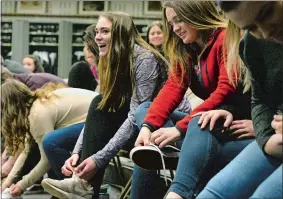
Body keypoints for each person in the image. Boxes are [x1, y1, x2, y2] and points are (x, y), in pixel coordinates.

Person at [40, 11, 170, 199]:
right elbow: (98, 111)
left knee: (100, 106)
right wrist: (77, 152)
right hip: (131, 122)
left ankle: (83, 185)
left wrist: (98, 159)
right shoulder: (110, 61)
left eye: (105, 31)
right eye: (97, 31)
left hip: (157, 124)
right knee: (96, 105)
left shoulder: (144, 59)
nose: (97, 37)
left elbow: (137, 115)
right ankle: (81, 182)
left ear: (121, 35)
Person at [130, 1, 253, 199]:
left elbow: (224, 90)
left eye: (179, 21)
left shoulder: (224, 38)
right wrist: (148, 127)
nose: (175, 28)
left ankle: (177, 191)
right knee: (145, 109)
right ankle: (162, 150)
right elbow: (173, 87)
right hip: (206, 121)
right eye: (171, 23)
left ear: (196, 14)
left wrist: (179, 129)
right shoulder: (187, 48)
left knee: (198, 121)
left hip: (230, 121)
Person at [197, 1, 283, 198]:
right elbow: (260, 99)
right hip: (276, 139)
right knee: (213, 193)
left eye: (267, 13)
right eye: (251, 27)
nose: (265, 33)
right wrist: (267, 139)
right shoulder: (253, 44)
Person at [1, 80, 98, 197]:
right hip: (96, 118)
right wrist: (7, 183)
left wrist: (22, 185)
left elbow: (46, 160)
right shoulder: (35, 106)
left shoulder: (37, 114)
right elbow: (25, 151)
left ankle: (74, 189)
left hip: (100, 120)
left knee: (50, 143)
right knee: (48, 143)